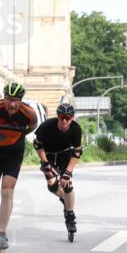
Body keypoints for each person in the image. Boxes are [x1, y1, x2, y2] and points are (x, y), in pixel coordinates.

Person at [0, 81, 39, 253]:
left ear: (21, 100)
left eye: (16, 100)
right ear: (3, 98)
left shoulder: (29, 114)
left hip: (15, 150)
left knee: (7, 190)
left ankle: (2, 232)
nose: (12, 104)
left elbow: (32, 126)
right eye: (8, 99)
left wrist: (14, 136)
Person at [33, 102, 83, 241]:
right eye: (62, 117)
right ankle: (64, 199)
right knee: (52, 184)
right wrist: (45, 163)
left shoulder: (76, 129)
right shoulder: (47, 126)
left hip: (65, 153)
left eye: (68, 118)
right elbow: (37, 145)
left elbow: (77, 152)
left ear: (72, 118)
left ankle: (70, 215)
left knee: (67, 184)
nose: (65, 121)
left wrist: (67, 173)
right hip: (48, 153)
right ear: (58, 116)